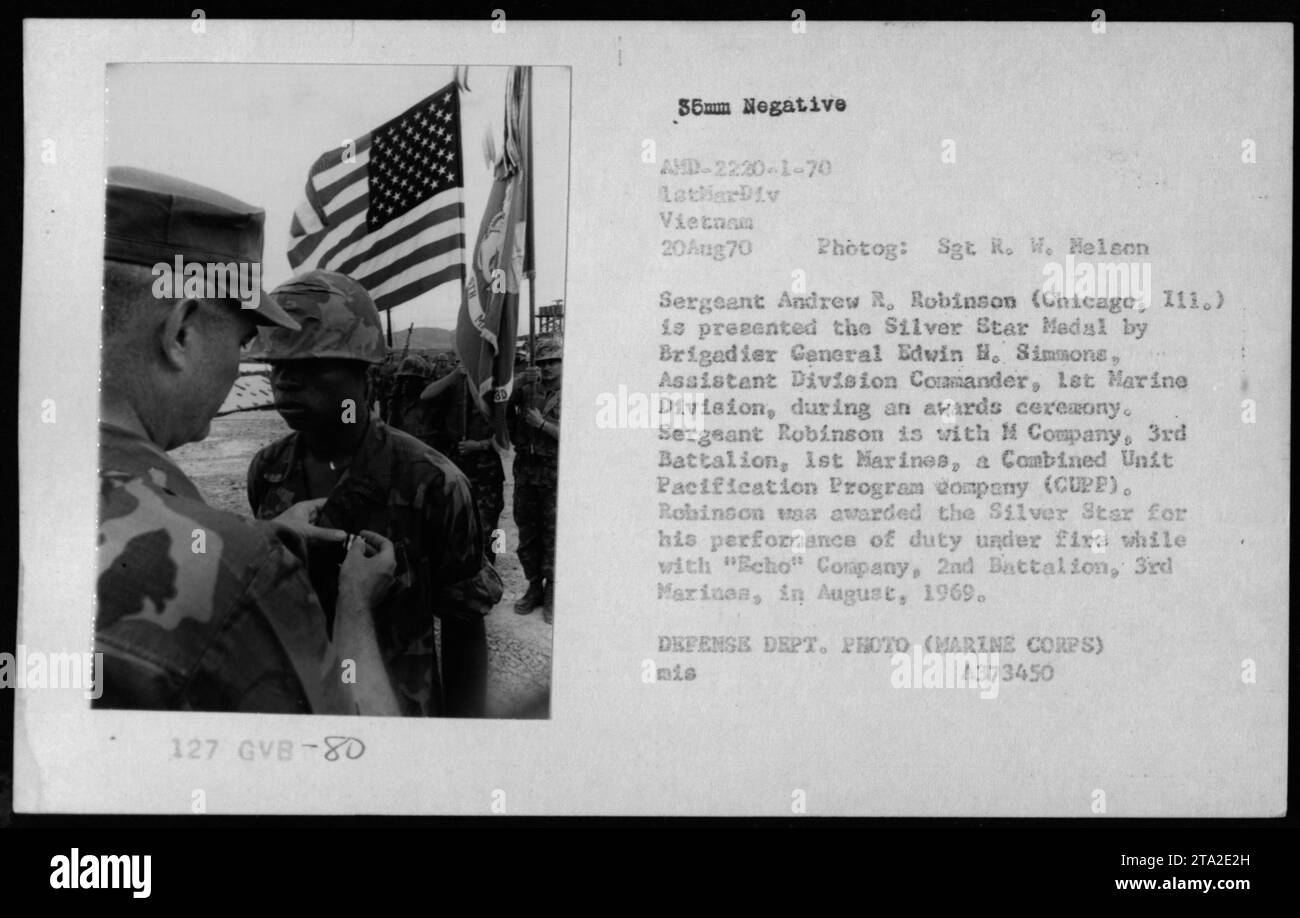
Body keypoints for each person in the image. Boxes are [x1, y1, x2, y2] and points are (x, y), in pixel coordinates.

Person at [95, 166, 399, 715]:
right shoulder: (238, 569)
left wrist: (255, 534)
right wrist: (355, 605)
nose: (249, 368)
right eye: (242, 339)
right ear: (181, 332)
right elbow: (359, 758)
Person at [245, 271, 502, 717]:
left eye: (308, 365)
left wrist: (466, 746)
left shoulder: (435, 483)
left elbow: (463, 631)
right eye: (277, 365)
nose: (284, 381)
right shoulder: (268, 471)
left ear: (363, 375)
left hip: (397, 717)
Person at [418, 354, 506, 563]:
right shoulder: (455, 383)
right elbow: (426, 395)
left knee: (490, 524)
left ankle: (492, 563)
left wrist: (480, 445)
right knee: (458, 521)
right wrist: (457, 373)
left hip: (487, 468)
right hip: (457, 466)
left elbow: (505, 433)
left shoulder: (493, 387)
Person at [506, 335, 562, 623]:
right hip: (526, 471)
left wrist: (542, 424)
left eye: (554, 361)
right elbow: (499, 405)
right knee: (527, 533)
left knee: (553, 535)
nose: (548, 367)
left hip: (554, 473)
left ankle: (552, 591)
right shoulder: (529, 388)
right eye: (543, 362)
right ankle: (533, 587)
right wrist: (517, 381)